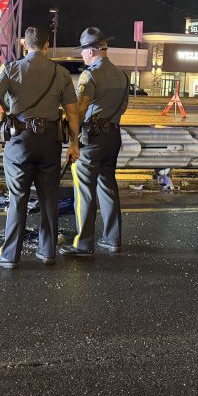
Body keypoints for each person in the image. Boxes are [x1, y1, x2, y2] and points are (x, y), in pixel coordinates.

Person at [0, 25, 80, 268]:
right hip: (50, 142)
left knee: (18, 197)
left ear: (24, 45)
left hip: (20, 142)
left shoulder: (11, 68)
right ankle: (48, 253)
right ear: (47, 46)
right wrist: (75, 142)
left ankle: (10, 256)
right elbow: (72, 111)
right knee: (49, 197)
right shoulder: (61, 73)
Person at [59, 27, 129, 257]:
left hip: (92, 139)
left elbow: (79, 109)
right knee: (108, 187)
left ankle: (83, 244)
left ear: (91, 51)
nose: (81, 56)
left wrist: (73, 141)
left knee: (85, 191)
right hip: (113, 136)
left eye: (82, 51)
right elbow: (124, 107)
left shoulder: (90, 75)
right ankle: (112, 239)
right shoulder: (122, 75)